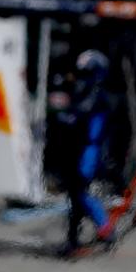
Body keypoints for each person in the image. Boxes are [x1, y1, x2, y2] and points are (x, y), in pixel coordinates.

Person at [49, 49, 114, 254]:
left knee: (80, 192)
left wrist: (62, 117)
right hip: (79, 149)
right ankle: (72, 238)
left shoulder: (96, 95)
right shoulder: (86, 91)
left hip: (88, 152)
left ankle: (106, 228)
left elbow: (79, 118)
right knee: (74, 196)